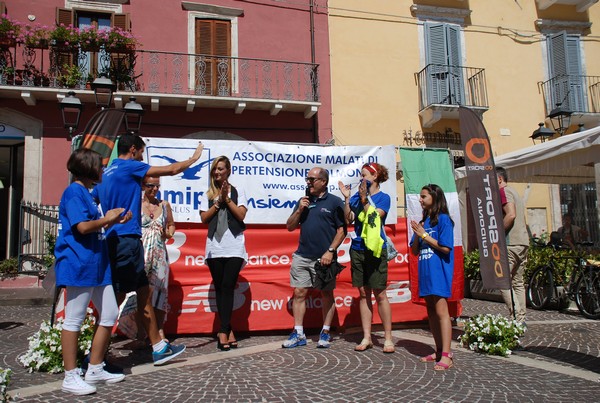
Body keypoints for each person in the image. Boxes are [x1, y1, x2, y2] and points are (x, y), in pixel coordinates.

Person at [93, 135, 203, 366]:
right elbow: (172, 169)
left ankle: (159, 347)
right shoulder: (129, 166)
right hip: (128, 241)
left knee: (143, 295)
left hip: (114, 240)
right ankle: (95, 356)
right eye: (141, 153)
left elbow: (93, 201)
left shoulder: (107, 172)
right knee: (118, 299)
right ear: (133, 150)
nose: (142, 159)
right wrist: (194, 158)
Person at [55, 149, 132, 395]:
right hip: (80, 263)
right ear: (88, 167)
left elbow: (94, 225)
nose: (102, 170)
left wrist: (113, 220)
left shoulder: (86, 194)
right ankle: (70, 375)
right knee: (74, 318)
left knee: (109, 313)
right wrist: (107, 218)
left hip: (98, 265)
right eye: (100, 166)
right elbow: (83, 227)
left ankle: (95, 367)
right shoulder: (74, 192)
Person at [282, 167, 346, 349]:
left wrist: (331, 251)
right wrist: (299, 210)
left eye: (312, 179)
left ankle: (325, 332)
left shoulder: (334, 202)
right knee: (299, 293)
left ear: (323, 182)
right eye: (307, 179)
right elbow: (290, 226)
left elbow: (342, 230)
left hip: (325, 258)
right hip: (302, 255)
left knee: (326, 293)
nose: (308, 182)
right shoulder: (304, 201)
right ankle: (298, 333)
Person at [339, 163, 394, 353]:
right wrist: (347, 200)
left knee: (380, 293)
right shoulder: (356, 196)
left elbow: (376, 216)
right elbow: (349, 219)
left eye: (364, 175)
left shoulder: (383, 198)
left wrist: (364, 199)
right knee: (363, 293)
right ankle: (367, 337)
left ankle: (387, 338)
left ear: (375, 175)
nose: (361, 179)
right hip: (358, 248)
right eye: (360, 176)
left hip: (376, 248)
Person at [199, 156, 248, 351]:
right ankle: (227, 330)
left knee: (229, 286)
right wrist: (217, 202)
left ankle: (223, 329)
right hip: (214, 246)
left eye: (221, 169)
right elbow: (204, 218)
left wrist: (227, 199)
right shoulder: (208, 193)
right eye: (215, 169)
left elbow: (241, 215)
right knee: (220, 288)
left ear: (228, 170)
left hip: (234, 245)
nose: (217, 172)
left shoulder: (238, 191)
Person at [409, 184, 455, 371]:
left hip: (439, 272)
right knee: (431, 312)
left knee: (442, 312)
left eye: (424, 197)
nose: (420, 200)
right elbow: (414, 250)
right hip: (425, 272)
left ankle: (447, 354)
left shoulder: (444, 220)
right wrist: (418, 236)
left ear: (434, 198)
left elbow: (445, 247)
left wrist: (424, 235)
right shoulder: (423, 221)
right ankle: (438, 350)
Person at [497, 167, 529, 327]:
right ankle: (521, 319)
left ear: (499, 179)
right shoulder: (515, 192)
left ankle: (516, 316)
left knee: (502, 280)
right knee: (517, 281)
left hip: (510, 242)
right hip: (522, 241)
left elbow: (511, 214)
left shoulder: (504, 192)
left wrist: (498, 235)